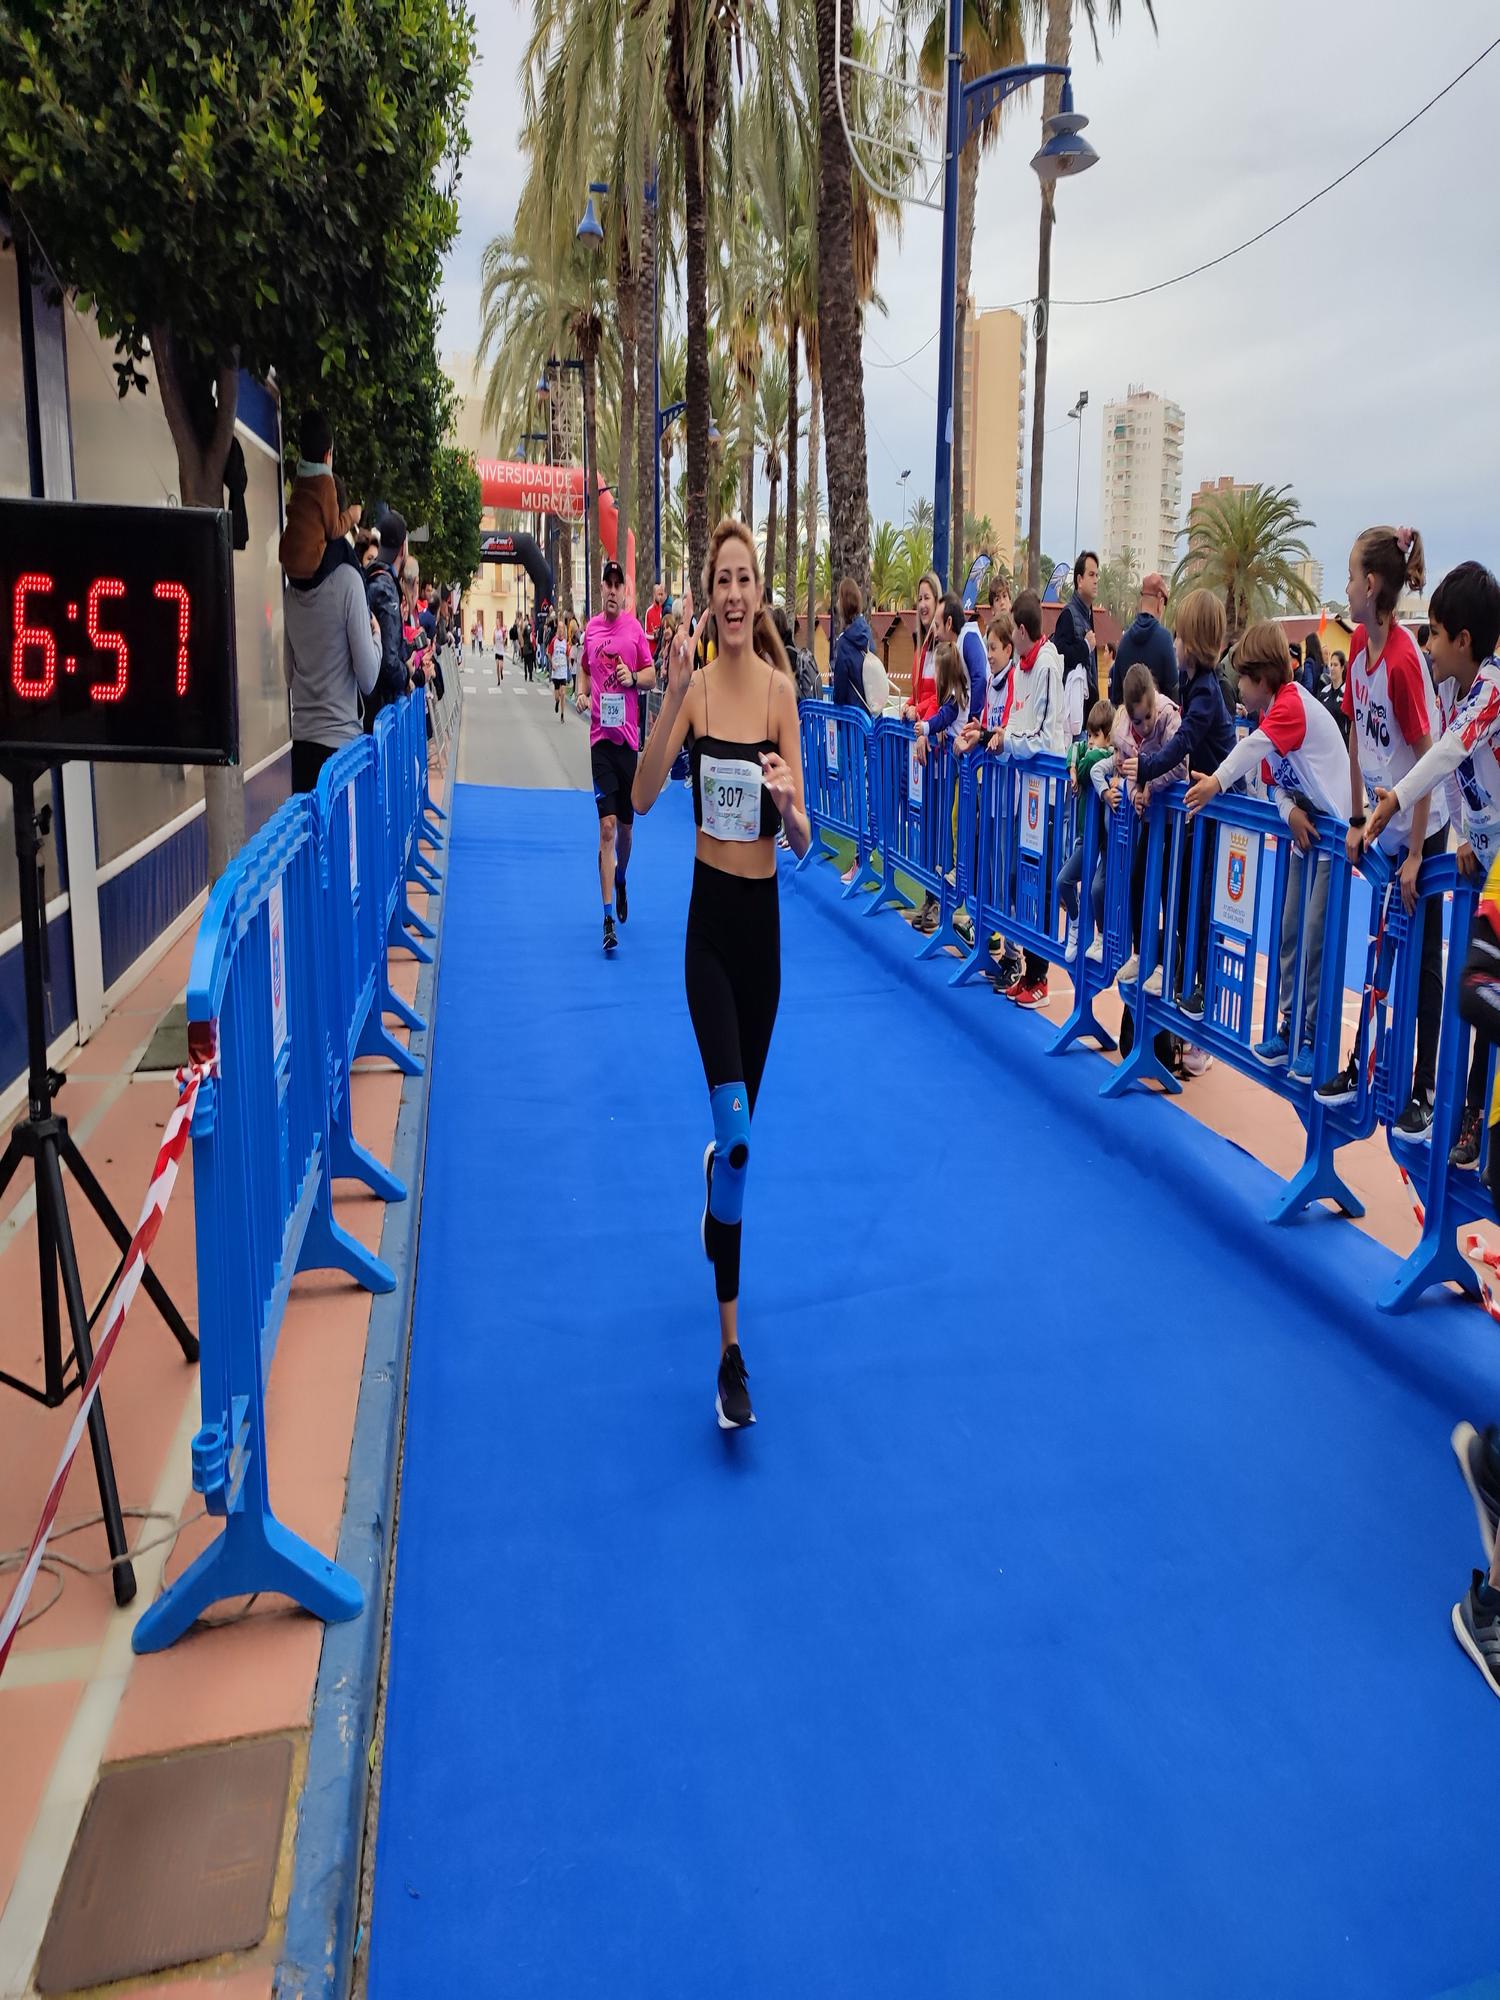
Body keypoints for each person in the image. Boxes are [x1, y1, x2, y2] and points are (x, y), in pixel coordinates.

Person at [631, 519, 810, 1431]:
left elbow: (806, 838)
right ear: (710, 599)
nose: (735, 595)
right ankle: (731, 1354)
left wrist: (786, 804)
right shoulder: (697, 690)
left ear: (759, 593)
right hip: (707, 932)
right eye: (723, 582)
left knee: (736, 1153)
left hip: (762, 942)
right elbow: (640, 794)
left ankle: (718, 1195)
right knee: (738, 1140)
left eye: (747, 579)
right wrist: (668, 702)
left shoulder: (780, 694)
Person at [1366, 561, 1500, 1168]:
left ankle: (1477, 1113)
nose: (1430, 646)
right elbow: (1465, 779)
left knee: (1479, 990)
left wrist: (1395, 796)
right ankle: (1475, 1115)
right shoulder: (1452, 686)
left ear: (1465, 641)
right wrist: (1471, 833)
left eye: (1438, 635)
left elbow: (1450, 752)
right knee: (1481, 996)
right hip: (1487, 856)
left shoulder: (1492, 687)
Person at [1315, 525, 1446, 1133]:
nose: (1344, 586)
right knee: (1377, 951)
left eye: (1347, 575)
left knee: (1420, 965)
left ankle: (1421, 1090)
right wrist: (1357, 815)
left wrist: (1418, 853)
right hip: (1385, 828)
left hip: (1427, 827)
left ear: (1371, 585)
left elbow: (1425, 761)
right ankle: (1359, 1063)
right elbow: (1354, 737)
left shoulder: (1403, 663)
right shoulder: (1361, 653)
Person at [1184, 621, 1350, 1080]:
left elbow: (1254, 749)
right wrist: (1289, 814)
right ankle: (1288, 1024)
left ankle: (1314, 1037)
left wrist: (1216, 781)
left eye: (1242, 677)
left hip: (1334, 834)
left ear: (1262, 679)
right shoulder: (1269, 715)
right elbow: (1274, 784)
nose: (1237, 686)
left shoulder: (1291, 705)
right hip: (1308, 830)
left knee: (1317, 932)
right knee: (1291, 926)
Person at [1118, 588, 1234, 1015]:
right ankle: (1177, 968)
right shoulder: (1192, 683)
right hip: (1197, 809)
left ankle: (1200, 982)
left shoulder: (1207, 692)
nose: (1175, 645)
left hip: (1220, 810)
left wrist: (1145, 769)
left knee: (1201, 899)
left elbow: (1183, 744)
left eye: (1180, 637)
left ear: (1195, 644)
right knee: (1182, 892)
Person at [988, 588, 1066, 1006]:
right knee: (1022, 882)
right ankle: (1028, 969)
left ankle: (1041, 976)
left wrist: (1008, 742)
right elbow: (1016, 722)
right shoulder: (1022, 668)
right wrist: (999, 736)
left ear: (1021, 630)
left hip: (1047, 795)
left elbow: (1042, 735)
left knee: (1043, 884)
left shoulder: (1049, 668)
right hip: (1024, 793)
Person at [576, 558, 655, 952]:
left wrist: (633, 679)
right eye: (605, 584)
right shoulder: (590, 630)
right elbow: (585, 670)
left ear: (624, 591)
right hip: (600, 742)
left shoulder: (635, 630)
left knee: (625, 830)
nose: (610, 590)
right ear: (601, 590)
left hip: (628, 744)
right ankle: (607, 917)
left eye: (616, 584)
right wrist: (580, 690)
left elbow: (652, 675)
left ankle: (621, 878)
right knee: (606, 827)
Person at [282, 501, 382, 793]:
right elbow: (367, 677)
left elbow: (288, 675)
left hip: (301, 747)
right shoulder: (348, 580)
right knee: (343, 840)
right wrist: (376, 637)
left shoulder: (291, 590)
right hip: (340, 752)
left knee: (311, 838)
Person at [900, 571, 944, 930]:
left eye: (928, 596)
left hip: (937, 747)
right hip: (922, 746)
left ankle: (938, 902)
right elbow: (920, 692)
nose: (923, 603)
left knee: (939, 827)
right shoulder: (919, 647)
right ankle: (929, 898)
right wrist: (909, 706)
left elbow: (941, 697)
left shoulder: (942, 647)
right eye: (920, 597)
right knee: (926, 825)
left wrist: (922, 713)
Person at [1058, 700, 1115, 962]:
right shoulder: (1088, 749)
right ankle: (1076, 921)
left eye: (1096, 735)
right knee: (1063, 881)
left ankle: (1101, 936)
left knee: (1095, 890)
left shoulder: (1108, 756)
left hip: (1102, 842)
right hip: (1085, 838)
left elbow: (1091, 759)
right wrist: (1072, 766)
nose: (1090, 741)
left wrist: (1079, 770)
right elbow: (1075, 747)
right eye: (1089, 735)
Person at [278, 409, 360, 581]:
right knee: (342, 547)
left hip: (287, 559)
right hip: (310, 565)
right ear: (327, 455)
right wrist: (351, 516)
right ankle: (361, 581)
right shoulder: (325, 482)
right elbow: (334, 529)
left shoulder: (300, 478)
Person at [363, 511, 411, 729]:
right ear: (402, 548)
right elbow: (389, 661)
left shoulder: (368, 577)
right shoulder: (386, 588)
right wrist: (408, 673)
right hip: (382, 708)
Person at [1109, 572, 1179, 706]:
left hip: (1128, 723)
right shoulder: (1165, 640)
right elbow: (1173, 694)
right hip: (1158, 723)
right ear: (1161, 603)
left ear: (1141, 602)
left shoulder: (1124, 641)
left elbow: (1115, 696)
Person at [1054, 551, 1099, 709]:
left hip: (1085, 713)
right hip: (1072, 714)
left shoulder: (1087, 614)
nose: (1096, 581)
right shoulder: (1069, 615)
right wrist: (1085, 646)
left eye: (1097, 576)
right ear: (1080, 580)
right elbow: (1060, 656)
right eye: (1091, 575)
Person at [831, 577, 874, 712]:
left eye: (839, 599)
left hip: (852, 720)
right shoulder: (868, 634)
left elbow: (840, 691)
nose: (837, 603)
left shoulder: (844, 643)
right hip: (870, 716)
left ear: (843, 604)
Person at [549, 618, 570, 721]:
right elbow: (548, 653)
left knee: (563, 693)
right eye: (559, 628)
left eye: (562, 628)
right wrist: (552, 663)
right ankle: (557, 702)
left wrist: (569, 667)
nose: (561, 630)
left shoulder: (566, 643)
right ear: (557, 629)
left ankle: (562, 715)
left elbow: (568, 656)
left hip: (563, 671)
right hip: (556, 671)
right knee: (557, 696)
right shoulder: (554, 641)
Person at [645, 578, 666, 648]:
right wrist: (655, 636)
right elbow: (646, 634)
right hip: (652, 651)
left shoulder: (664, 609)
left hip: (662, 650)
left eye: (661, 594)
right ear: (654, 594)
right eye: (658, 594)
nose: (660, 597)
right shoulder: (649, 611)